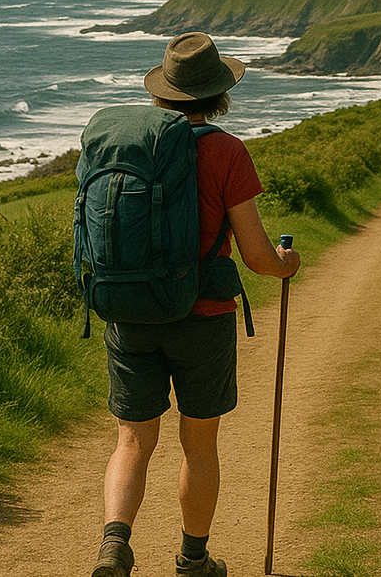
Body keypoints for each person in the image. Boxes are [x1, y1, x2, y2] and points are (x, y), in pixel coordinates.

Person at [91, 32, 301, 577]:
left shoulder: (128, 147)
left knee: (132, 441)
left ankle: (114, 546)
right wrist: (287, 264)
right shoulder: (227, 151)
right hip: (203, 317)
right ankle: (193, 560)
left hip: (130, 311)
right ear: (219, 94)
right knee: (199, 445)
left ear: (161, 93)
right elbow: (257, 257)